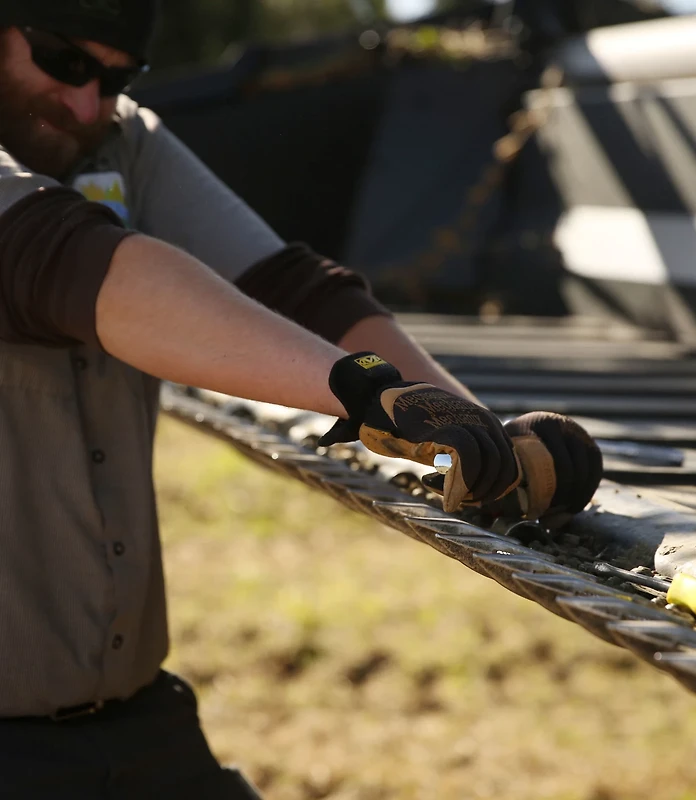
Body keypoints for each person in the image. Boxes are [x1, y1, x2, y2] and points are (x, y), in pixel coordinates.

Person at [0, 1, 603, 797]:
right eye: (65, 63)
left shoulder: (120, 139)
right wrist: (361, 389)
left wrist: (474, 431)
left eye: (116, 78)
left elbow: (290, 288)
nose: (87, 103)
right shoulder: (53, 219)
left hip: (135, 721)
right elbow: (77, 267)